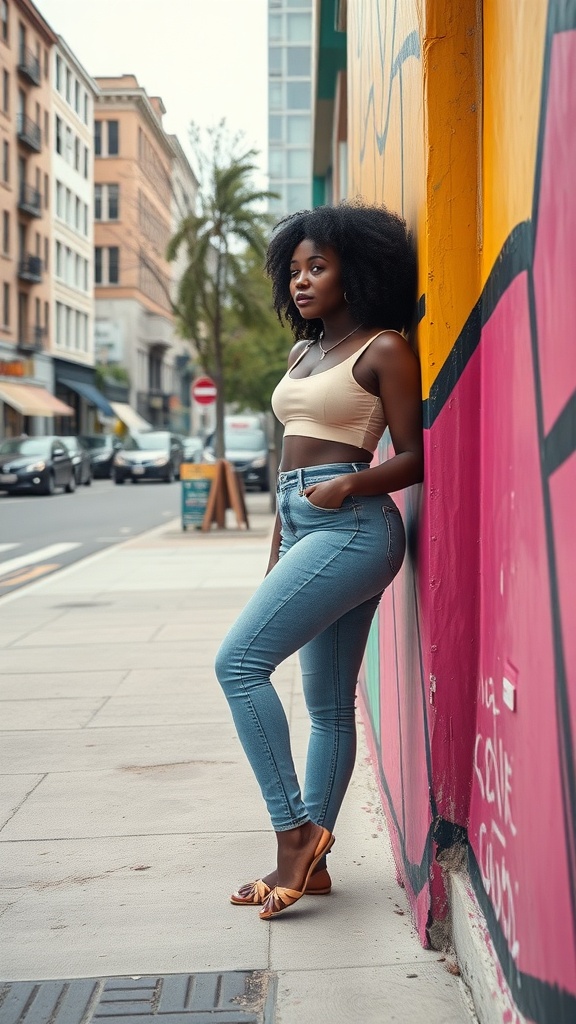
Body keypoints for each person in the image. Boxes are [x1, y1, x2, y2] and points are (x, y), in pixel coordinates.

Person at [215, 200, 423, 920]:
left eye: (318, 267)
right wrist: (278, 547)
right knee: (330, 705)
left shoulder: (384, 349)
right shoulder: (303, 354)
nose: (301, 281)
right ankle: (314, 865)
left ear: (354, 272)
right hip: (301, 521)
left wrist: (349, 485)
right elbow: (287, 459)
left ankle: (294, 835)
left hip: (357, 526)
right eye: (295, 270)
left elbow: (415, 458)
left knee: (238, 664)